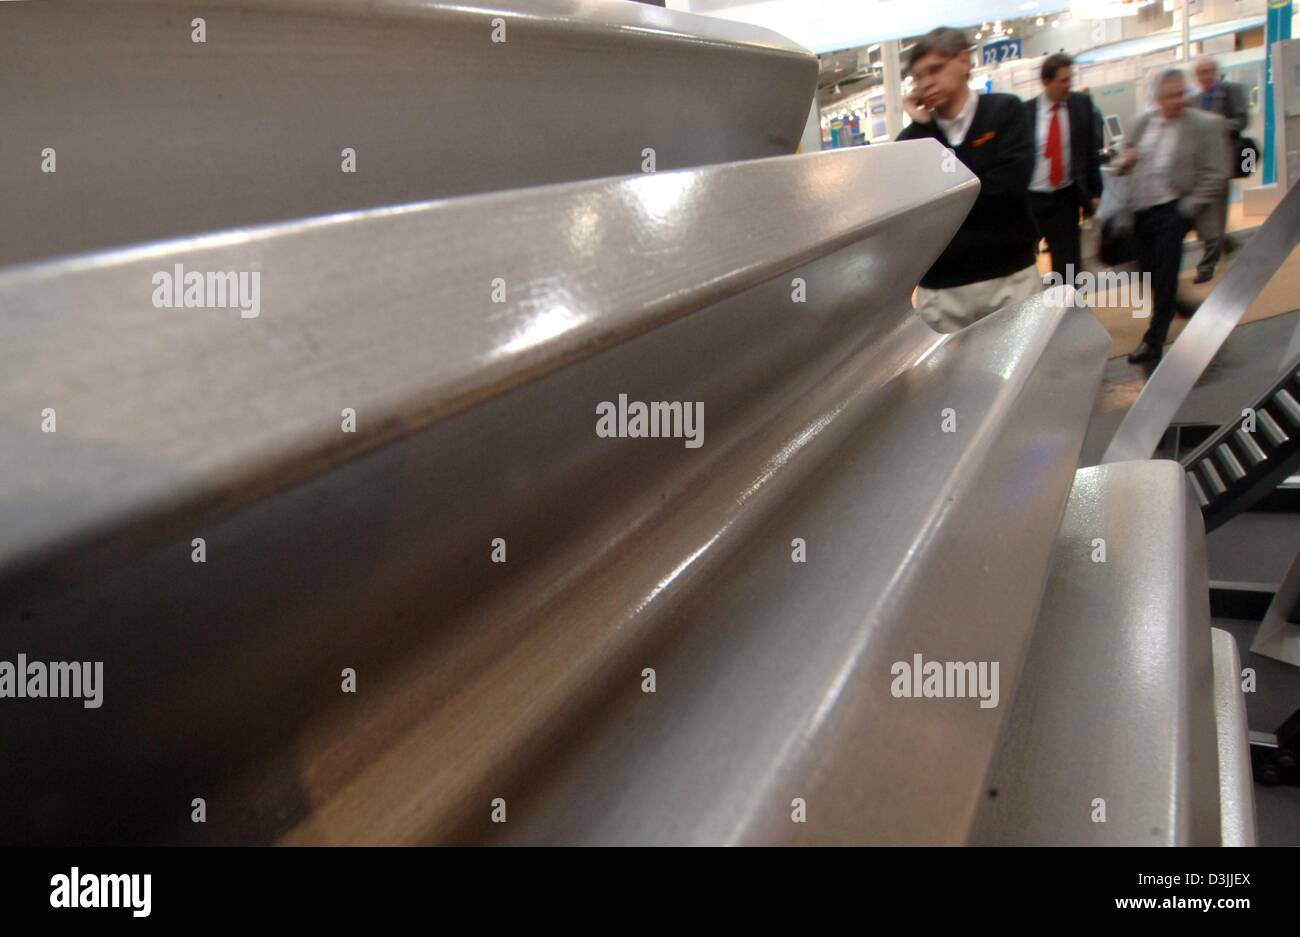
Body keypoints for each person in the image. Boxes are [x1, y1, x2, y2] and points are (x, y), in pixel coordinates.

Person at [896, 27, 1039, 333]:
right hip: (942, 291)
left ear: (964, 61)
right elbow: (913, 209)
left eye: (935, 69)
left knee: (1022, 376)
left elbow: (1009, 188)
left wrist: (944, 197)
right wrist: (922, 128)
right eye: (918, 77)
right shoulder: (913, 139)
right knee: (949, 381)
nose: (926, 82)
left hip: (1009, 278)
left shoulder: (1005, 112)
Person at [1117, 69, 1228, 364]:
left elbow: (1216, 174)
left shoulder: (1203, 125)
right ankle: (1180, 306)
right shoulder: (1141, 124)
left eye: (1182, 94)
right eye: (1172, 96)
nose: (1178, 101)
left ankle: (1153, 341)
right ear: (1157, 98)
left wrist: (1187, 208)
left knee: (1165, 276)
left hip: (1172, 210)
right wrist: (1124, 161)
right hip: (1140, 211)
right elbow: (1121, 157)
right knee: (1146, 270)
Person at [1024, 53, 1104, 284]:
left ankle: (1070, 314)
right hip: (1032, 200)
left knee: (1069, 268)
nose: (1068, 84)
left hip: (1065, 198)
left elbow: (1090, 150)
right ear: (1046, 81)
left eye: (1070, 78)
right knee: (1022, 262)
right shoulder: (1025, 112)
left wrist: (1095, 192)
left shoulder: (1081, 105)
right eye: (1063, 80)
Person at [1187, 56, 1248, 282]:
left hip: (1222, 162)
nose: (1205, 77)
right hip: (1200, 168)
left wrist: (1218, 127)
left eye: (1208, 72)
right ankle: (1229, 244)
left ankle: (1206, 267)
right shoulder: (1195, 99)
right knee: (1201, 218)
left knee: (1217, 217)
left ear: (1215, 72)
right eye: (1200, 73)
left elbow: (1241, 120)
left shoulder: (1230, 91)